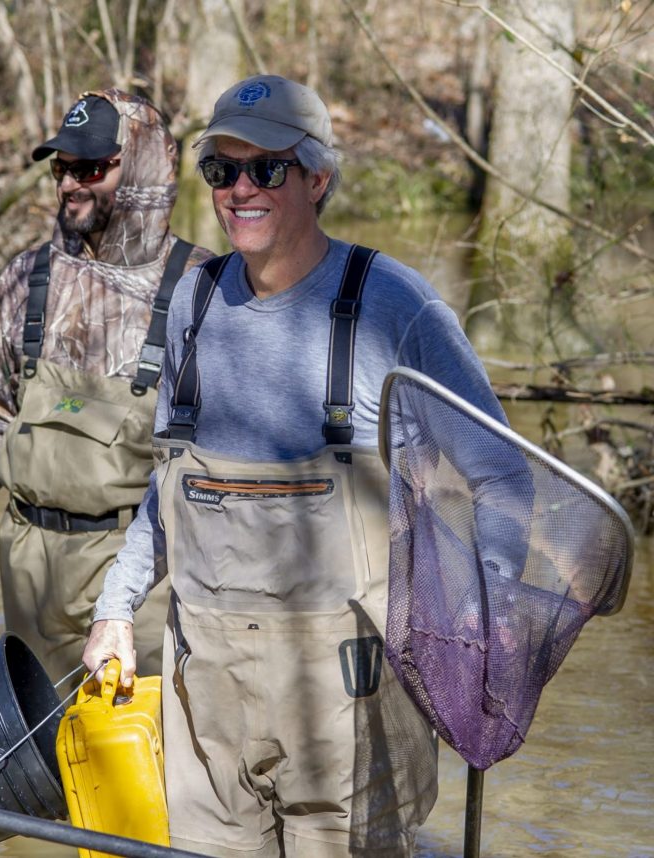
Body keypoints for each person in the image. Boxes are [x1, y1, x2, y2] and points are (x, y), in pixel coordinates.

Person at [83, 75, 509, 857]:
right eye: (222, 170)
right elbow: (169, 485)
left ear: (317, 179)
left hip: (346, 706)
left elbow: (502, 477)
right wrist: (116, 607)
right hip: (205, 701)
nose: (240, 190)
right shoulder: (193, 301)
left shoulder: (394, 307)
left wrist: (485, 627)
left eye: (266, 169)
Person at [0, 89, 213, 680]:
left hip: (142, 577)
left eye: (90, 168)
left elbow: (219, 466)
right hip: (28, 571)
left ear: (141, 169)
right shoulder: (25, 279)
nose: (68, 184)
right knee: (35, 765)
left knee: (141, 760)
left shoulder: (202, 288)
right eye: (61, 168)